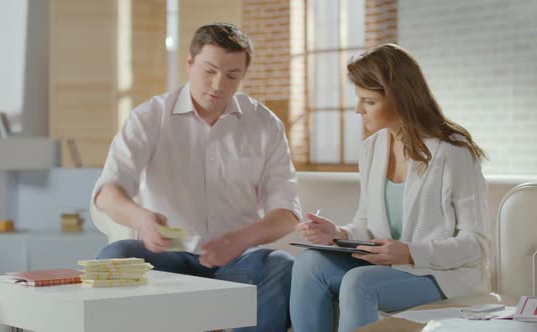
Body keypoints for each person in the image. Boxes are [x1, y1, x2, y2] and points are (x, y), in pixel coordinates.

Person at [91, 23, 301, 332]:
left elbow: (287, 214)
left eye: (232, 76)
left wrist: (240, 238)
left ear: (243, 76)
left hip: (238, 256)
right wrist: (143, 219)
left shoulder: (264, 123)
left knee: (281, 266)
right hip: (170, 252)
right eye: (210, 71)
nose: (219, 85)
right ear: (190, 64)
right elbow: (108, 193)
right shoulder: (150, 117)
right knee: (116, 256)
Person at [289, 43, 491, 332]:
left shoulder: (453, 151)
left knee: (360, 283)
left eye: (368, 101)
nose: (358, 109)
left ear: (400, 99)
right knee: (309, 264)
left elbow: (477, 244)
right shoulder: (372, 148)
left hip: (444, 276)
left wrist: (411, 253)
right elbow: (367, 226)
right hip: (389, 269)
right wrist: (338, 234)